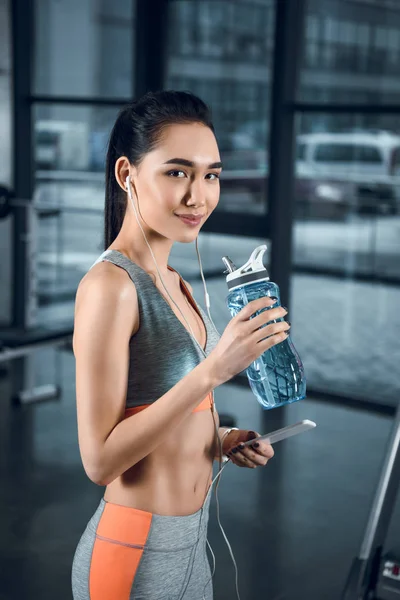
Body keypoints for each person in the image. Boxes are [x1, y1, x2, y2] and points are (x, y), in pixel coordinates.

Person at [71, 90, 290, 600]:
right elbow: (100, 461)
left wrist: (224, 439)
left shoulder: (174, 279)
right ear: (127, 175)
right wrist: (213, 370)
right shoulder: (110, 286)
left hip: (192, 547)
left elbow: (168, 411)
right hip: (135, 554)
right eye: (177, 172)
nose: (199, 195)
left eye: (210, 174)